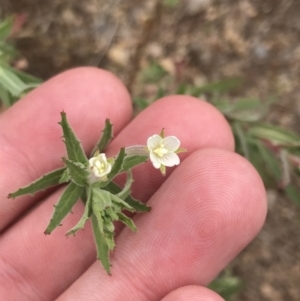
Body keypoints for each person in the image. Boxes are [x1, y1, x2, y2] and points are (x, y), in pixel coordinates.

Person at [0, 68, 267, 301]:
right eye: (159, 148)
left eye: (162, 150)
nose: (161, 150)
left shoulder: (145, 158)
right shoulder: (138, 155)